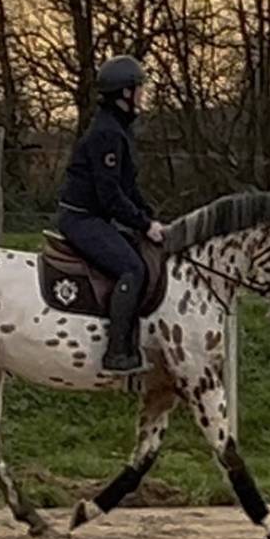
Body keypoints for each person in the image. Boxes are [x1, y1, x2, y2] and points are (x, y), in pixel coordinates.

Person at [57, 54, 167, 375]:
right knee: (131, 268)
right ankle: (117, 351)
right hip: (82, 219)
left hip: (94, 217)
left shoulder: (119, 130)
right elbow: (110, 196)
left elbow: (127, 188)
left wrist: (150, 218)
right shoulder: (108, 134)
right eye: (139, 89)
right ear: (125, 93)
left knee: (139, 256)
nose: (143, 95)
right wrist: (144, 224)